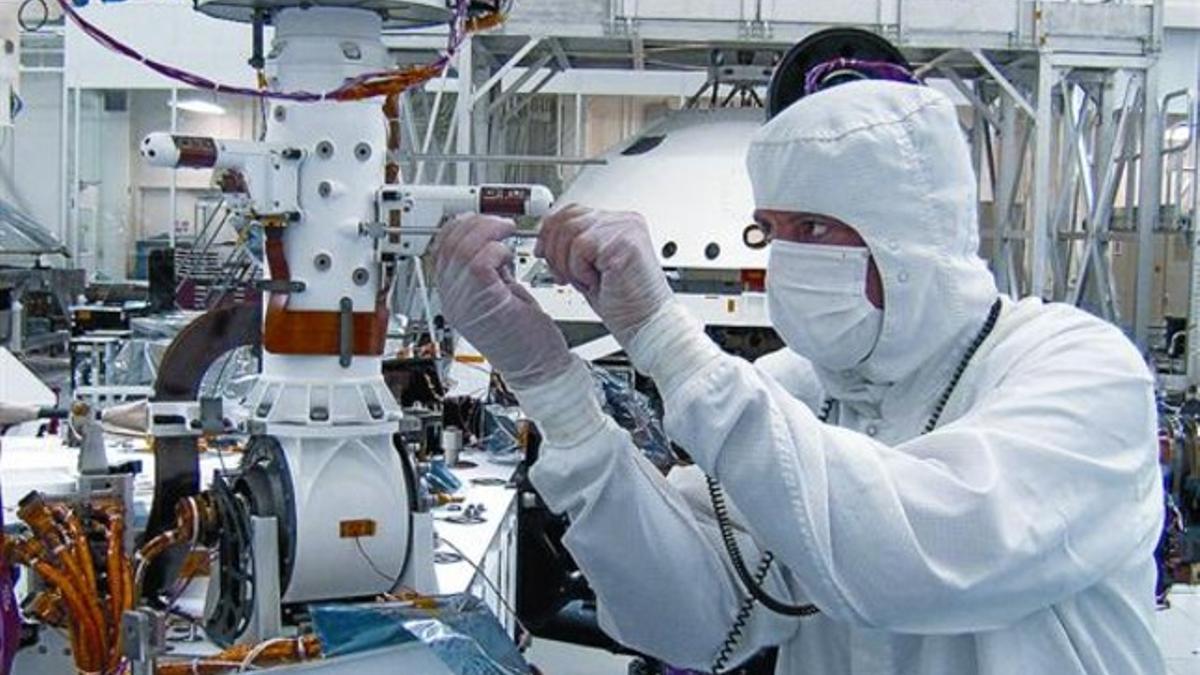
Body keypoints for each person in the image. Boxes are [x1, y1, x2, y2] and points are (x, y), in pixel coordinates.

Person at [433, 80, 1165, 674]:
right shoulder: (796, 389)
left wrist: (667, 339)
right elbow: (694, 621)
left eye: (813, 229)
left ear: (910, 240)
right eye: (771, 230)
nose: (787, 259)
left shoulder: (1077, 370)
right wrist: (555, 390)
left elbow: (916, 560)